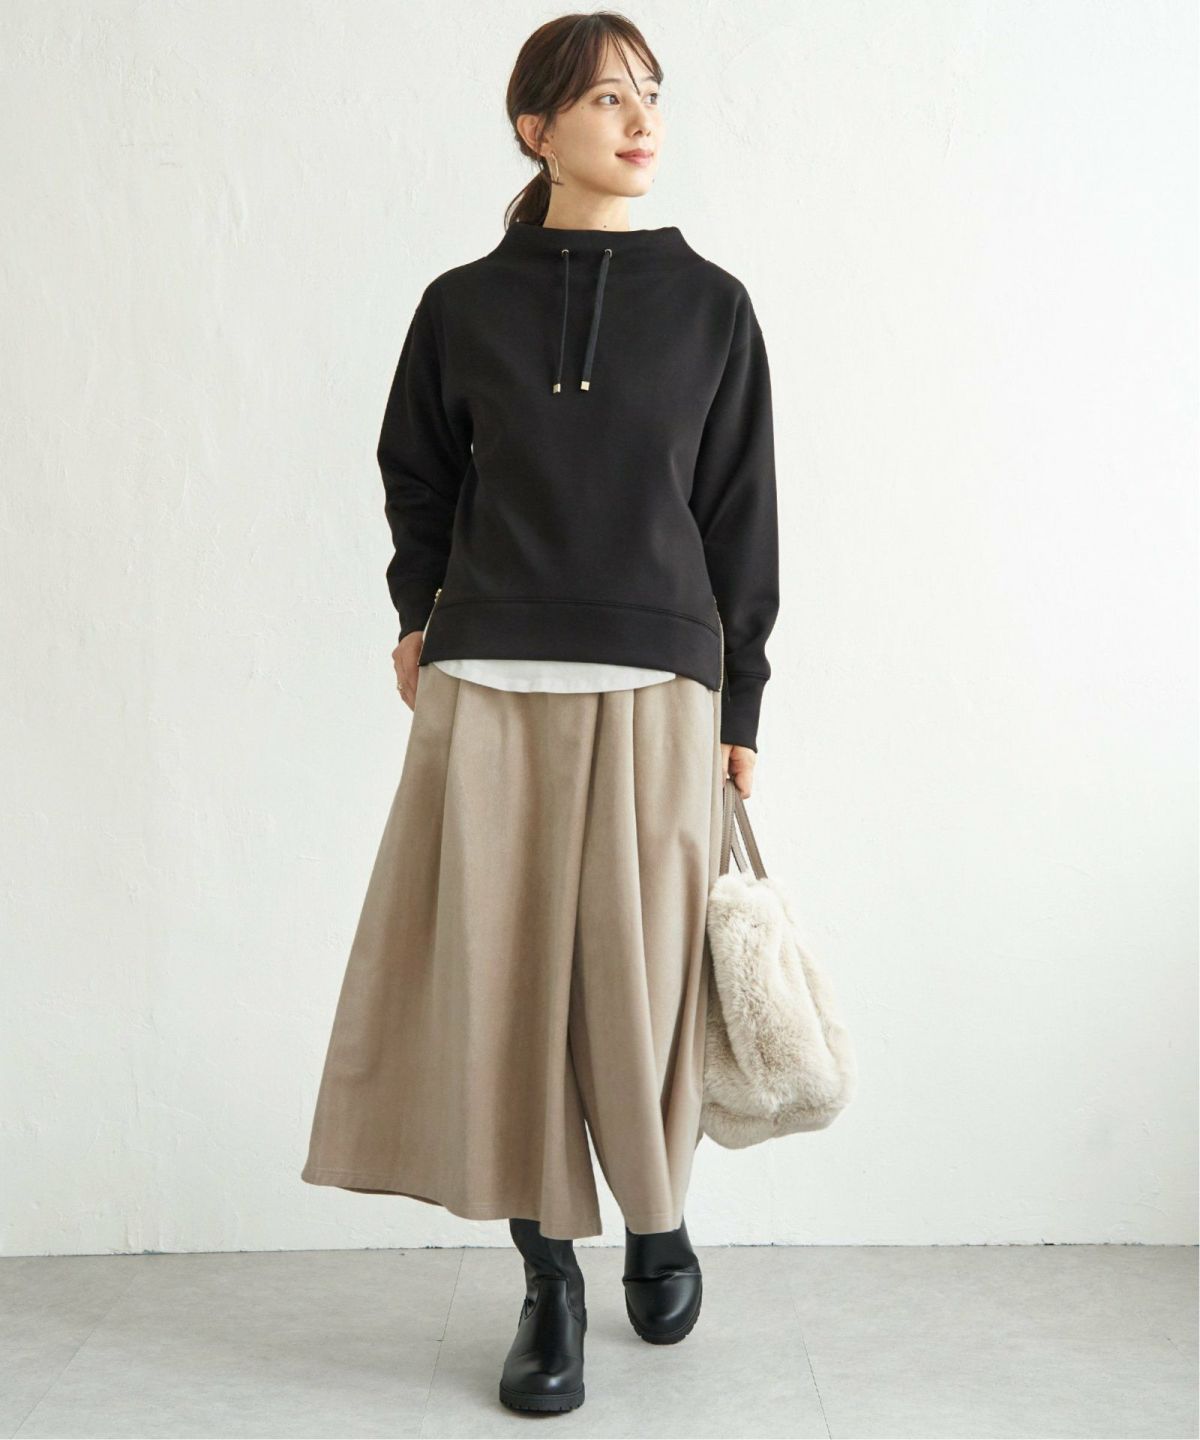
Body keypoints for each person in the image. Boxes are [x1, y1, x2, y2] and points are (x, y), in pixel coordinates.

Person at [301, 11, 780, 1415]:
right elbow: (416, 474)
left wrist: (744, 698)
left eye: (650, 94)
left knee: (645, 990)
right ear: (536, 128)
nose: (641, 119)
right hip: (493, 679)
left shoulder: (712, 306)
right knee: (504, 988)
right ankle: (549, 1276)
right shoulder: (463, 305)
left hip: (659, 684)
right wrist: (418, 609)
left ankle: (657, 1214)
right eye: (606, 97)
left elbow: (740, 515)